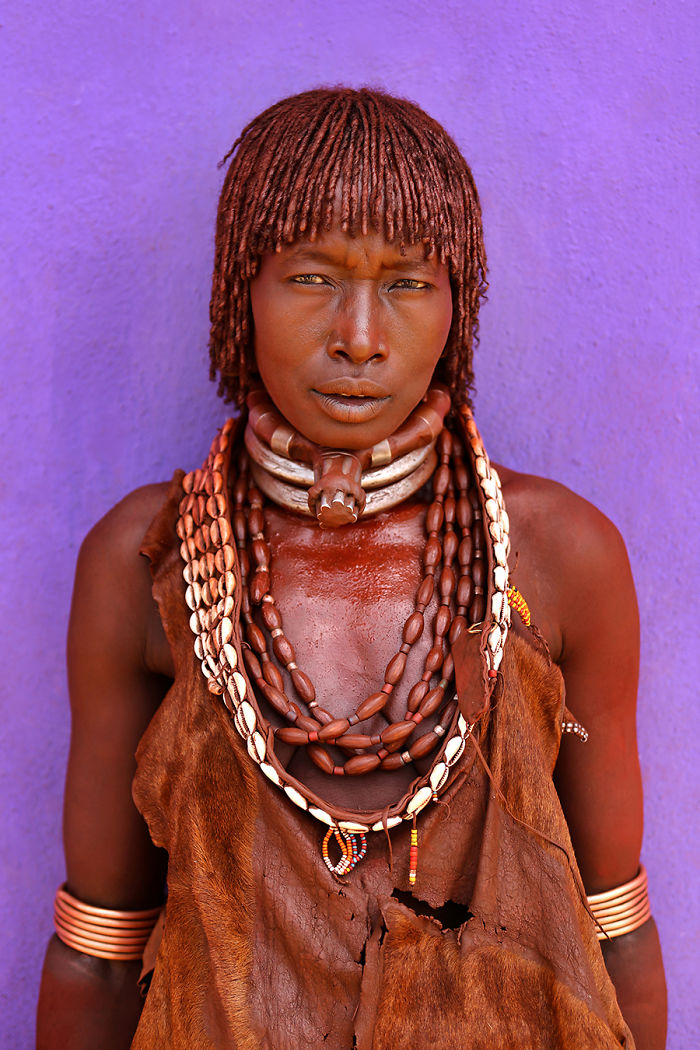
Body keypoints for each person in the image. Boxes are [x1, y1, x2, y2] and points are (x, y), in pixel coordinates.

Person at [36, 88, 667, 1049]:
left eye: (409, 283)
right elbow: (98, 947)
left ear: (459, 307)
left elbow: (616, 927)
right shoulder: (144, 564)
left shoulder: (558, 555)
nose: (360, 338)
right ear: (237, 292)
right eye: (312, 278)